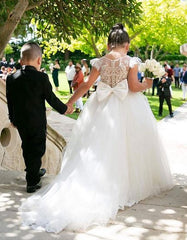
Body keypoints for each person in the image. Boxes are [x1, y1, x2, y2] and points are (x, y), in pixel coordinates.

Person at [20, 24, 173, 233]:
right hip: (127, 107)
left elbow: (85, 86)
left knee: (97, 148)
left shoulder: (99, 61)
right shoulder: (130, 61)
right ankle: (123, 187)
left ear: (109, 43)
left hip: (100, 108)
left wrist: (70, 103)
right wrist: (148, 82)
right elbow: (134, 87)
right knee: (127, 147)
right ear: (126, 44)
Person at [6, 42, 72, 193]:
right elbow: (51, 99)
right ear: (39, 60)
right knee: (38, 148)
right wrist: (65, 109)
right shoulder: (41, 78)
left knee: (27, 146)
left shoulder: (11, 78)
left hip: (21, 121)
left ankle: (33, 171)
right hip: (37, 121)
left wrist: (12, 118)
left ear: (21, 60)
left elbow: (10, 100)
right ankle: (32, 181)